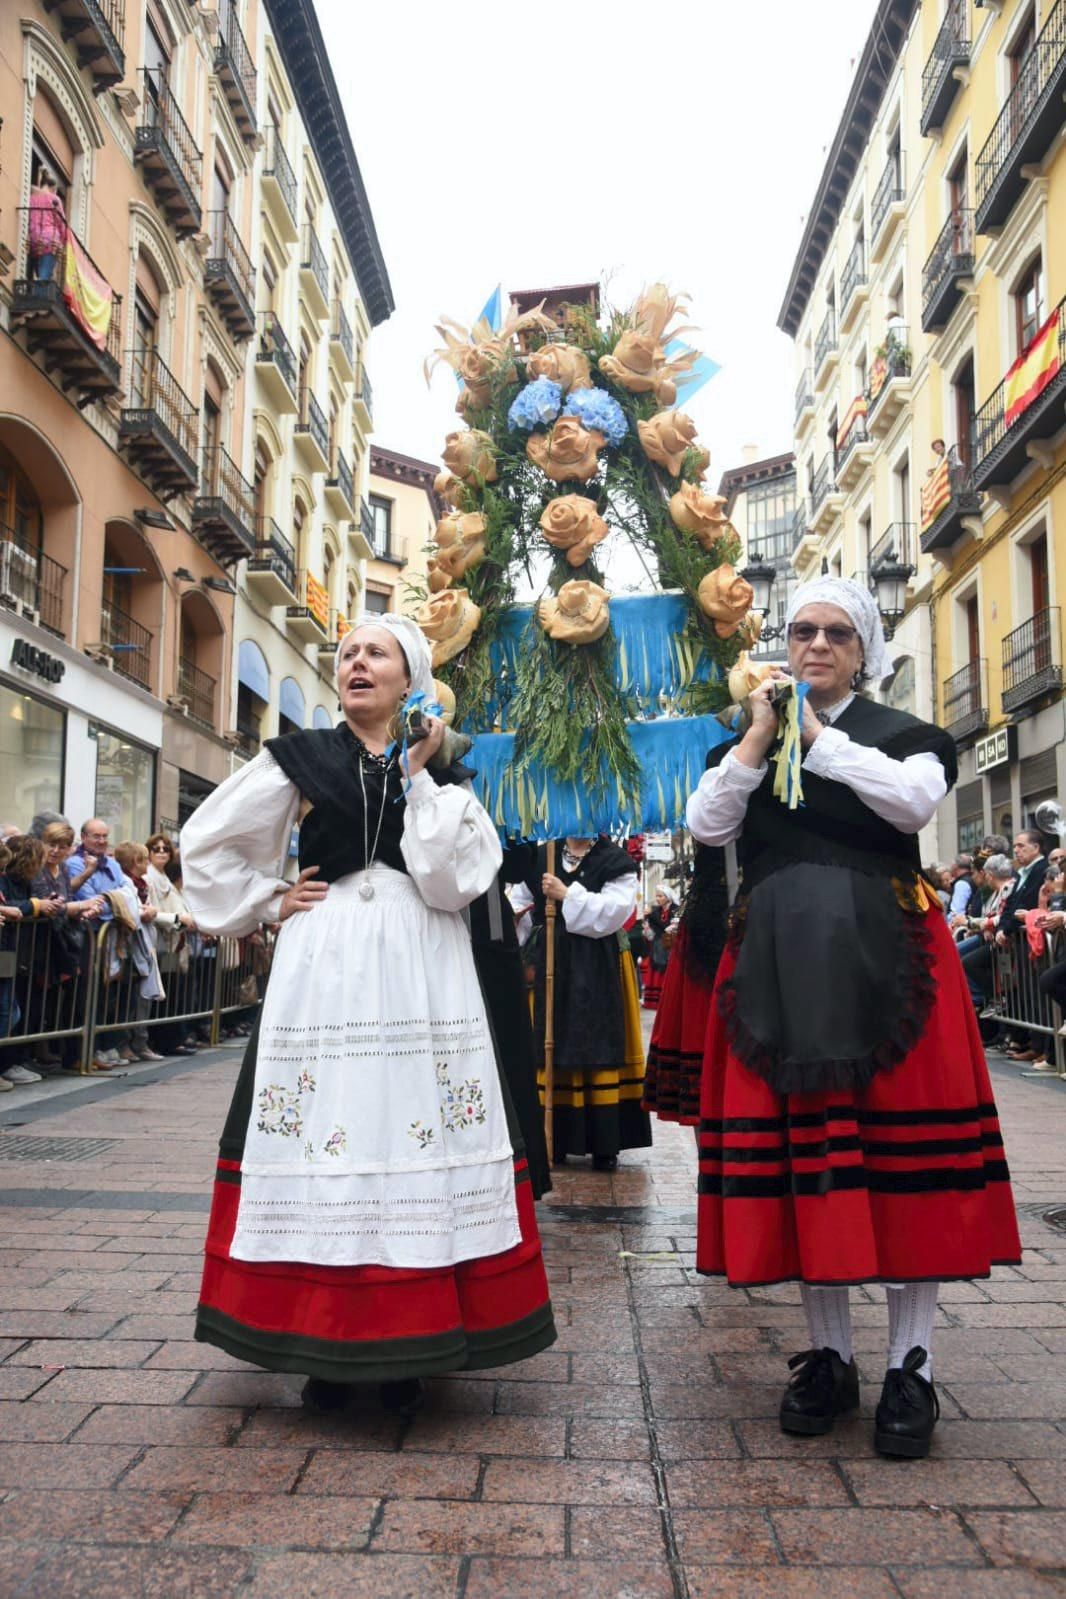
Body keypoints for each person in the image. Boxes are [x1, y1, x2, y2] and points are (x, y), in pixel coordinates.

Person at [180, 614, 555, 1417]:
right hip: (334, 959)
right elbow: (204, 841)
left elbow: (452, 879)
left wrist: (417, 773)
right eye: (347, 653)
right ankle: (327, 1345)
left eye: (374, 653)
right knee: (335, 1122)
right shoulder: (302, 758)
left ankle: (412, 1340)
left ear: (408, 677)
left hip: (422, 961)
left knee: (409, 1121)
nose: (355, 663)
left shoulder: (444, 774)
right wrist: (270, 897)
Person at [686, 575, 1020, 1460]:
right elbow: (706, 823)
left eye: (837, 632)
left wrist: (817, 738)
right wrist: (761, 737)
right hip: (777, 975)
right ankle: (831, 1359)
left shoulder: (911, 736)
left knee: (906, 1165)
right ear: (785, 643)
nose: (817, 645)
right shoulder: (748, 739)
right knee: (813, 1166)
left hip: (893, 970)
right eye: (802, 630)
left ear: (864, 649)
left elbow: (910, 805)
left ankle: (911, 1363)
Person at [524, 836, 650, 1172]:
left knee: (597, 1038)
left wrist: (567, 895)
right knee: (551, 1038)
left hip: (596, 963)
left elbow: (615, 913)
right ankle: (555, 1138)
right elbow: (520, 905)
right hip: (551, 958)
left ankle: (604, 1141)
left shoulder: (615, 860)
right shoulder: (542, 855)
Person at [640, 886, 676, 1009]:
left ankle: (666, 1001)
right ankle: (653, 1002)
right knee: (656, 970)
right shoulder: (656, 912)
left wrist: (651, 917)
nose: (658, 898)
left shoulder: (675, 910)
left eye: (660, 896)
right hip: (657, 946)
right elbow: (654, 931)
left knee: (666, 970)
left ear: (668, 897)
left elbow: (666, 927)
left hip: (670, 946)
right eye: (657, 896)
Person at [27, 169, 66, 282]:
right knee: (44, 277)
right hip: (50, 241)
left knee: (37, 272)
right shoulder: (54, 199)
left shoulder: (32, 198)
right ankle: (38, 297)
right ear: (53, 188)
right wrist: (64, 241)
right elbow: (61, 222)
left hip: (33, 239)